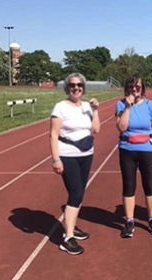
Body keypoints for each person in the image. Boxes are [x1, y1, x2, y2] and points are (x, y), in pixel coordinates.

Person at [49, 73, 100, 255]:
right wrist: (56, 159)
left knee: (79, 193)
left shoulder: (87, 106)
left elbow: (96, 129)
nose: (76, 88)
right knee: (76, 194)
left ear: (83, 87)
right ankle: (67, 238)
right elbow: (53, 134)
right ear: (67, 88)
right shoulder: (60, 107)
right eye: (72, 85)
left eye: (79, 85)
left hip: (86, 154)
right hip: (67, 155)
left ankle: (71, 227)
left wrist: (95, 110)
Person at [115, 74, 152, 238]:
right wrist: (128, 108)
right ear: (127, 88)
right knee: (129, 186)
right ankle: (129, 221)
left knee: (150, 185)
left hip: (147, 150)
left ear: (142, 88)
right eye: (131, 87)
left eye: (138, 87)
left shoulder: (151, 105)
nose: (134, 90)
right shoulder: (121, 104)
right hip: (127, 149)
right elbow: (121, 127)